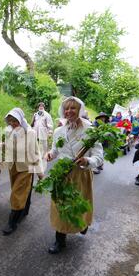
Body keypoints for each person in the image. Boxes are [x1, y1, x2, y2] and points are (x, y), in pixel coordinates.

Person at [45, 97, 104, 254]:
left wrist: (87, 160)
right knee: (60, 205)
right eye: (67, 108)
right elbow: (55, 150)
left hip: (80, 174)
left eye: (73, 108)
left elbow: (99, 157)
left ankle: (82, 224)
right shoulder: (59, 131)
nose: (69, 111)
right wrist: (50, 154)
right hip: (62, 173)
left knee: (78, 205)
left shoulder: (90, 130)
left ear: (80, 110)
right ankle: (60, 240)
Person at [2, 108, 44, 235]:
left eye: (15, 121)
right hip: (13, 166)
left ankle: (12, 222)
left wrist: (40, 172)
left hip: (26, 168)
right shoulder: (9, 131)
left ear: (20, 119)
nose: (13, 123)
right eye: (10, 121)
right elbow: (8, 146)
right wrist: (1, 146)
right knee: (21, 191)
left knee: (16, 193)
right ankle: (24, 209)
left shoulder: (30, 133)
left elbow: (35, 153)